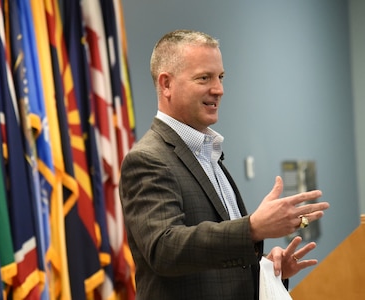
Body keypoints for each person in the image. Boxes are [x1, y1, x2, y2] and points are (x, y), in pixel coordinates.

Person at [119, 29, 330, 300]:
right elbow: (164, 249)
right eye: (204, 78)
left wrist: (266, 268)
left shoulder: (208, 154)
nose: (218, 89)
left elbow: (216, 267)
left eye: (220, 77)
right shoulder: (148, 159)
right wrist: (252, 228)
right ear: (166, 84)